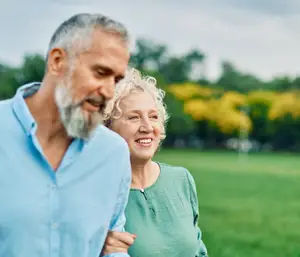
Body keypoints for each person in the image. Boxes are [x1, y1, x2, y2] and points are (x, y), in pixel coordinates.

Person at [0, 13, 135, 257]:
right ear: (57, 61)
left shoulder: (113, 153)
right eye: (100, 72)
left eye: (116, 79)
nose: (108, 91)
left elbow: (112, 244)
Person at [101, 68, 208, 257]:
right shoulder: (97, 191)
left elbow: (198, 250)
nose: (148, 127)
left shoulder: (181, 179)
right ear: (107, 127)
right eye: (133, 117)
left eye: (153, 116)